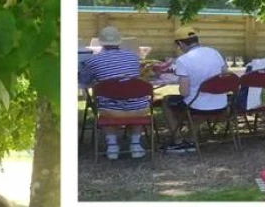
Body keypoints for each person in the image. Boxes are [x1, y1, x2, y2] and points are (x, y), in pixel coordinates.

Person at [80, 25, 149, 160]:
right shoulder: (133, 57)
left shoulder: (92, 61)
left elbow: (84, 80)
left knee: (106, 101)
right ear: (119, 41)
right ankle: (135, 144)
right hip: (140, 110)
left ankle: (112, 146)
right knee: (137, 101)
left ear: (100, 42)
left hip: (111, 111)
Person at [161, 26, 228, 154]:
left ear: (180, 43)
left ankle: (178, 141)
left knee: (166, 102)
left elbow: (184, 92)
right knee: (198, 102)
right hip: (221, 104)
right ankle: (191, 139)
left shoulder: (183, 60)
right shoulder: (215, 52)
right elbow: (225, 75)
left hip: (198, 106)